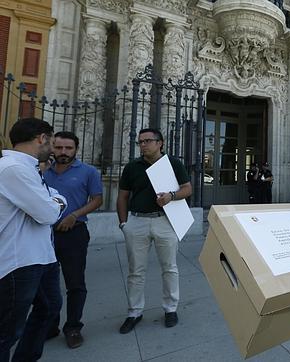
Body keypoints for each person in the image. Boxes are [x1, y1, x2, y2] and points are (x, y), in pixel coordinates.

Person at [0, 118, 66, 361]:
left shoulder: (28, 168)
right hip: (20, 261)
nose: (54, 146)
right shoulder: (13, 169)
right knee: (8, 331)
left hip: (41, 255)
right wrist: (58, 203)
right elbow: (48, 211)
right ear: (42, 138)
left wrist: (55, 201)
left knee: (49, 307)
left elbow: (50, 199)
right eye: (51, 140)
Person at [116, 128, 192, 334]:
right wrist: (124, 224)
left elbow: (188, 188)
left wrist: (171, 196)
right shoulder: (132, 167)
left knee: (169, 268)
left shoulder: (173, 163)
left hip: (164, 222)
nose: (143, 145)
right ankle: (134, 312)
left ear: (160, 143)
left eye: (148, 141)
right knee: (136, 271)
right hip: (137, 222)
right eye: (140, 141)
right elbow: (123, 196)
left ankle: (170, 308)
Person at [43, 131, 103, 349]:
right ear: (52, 147)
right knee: (45, 284)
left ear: (76, 149)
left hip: (74, 234)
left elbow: (97, 199)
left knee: (75, 283)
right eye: (59, 148)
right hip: (43, 235)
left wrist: (74, 215)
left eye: (68, 148)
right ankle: (49, 325)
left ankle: (73, 327)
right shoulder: (41, 170)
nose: (63, 152)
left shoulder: (88, 172)